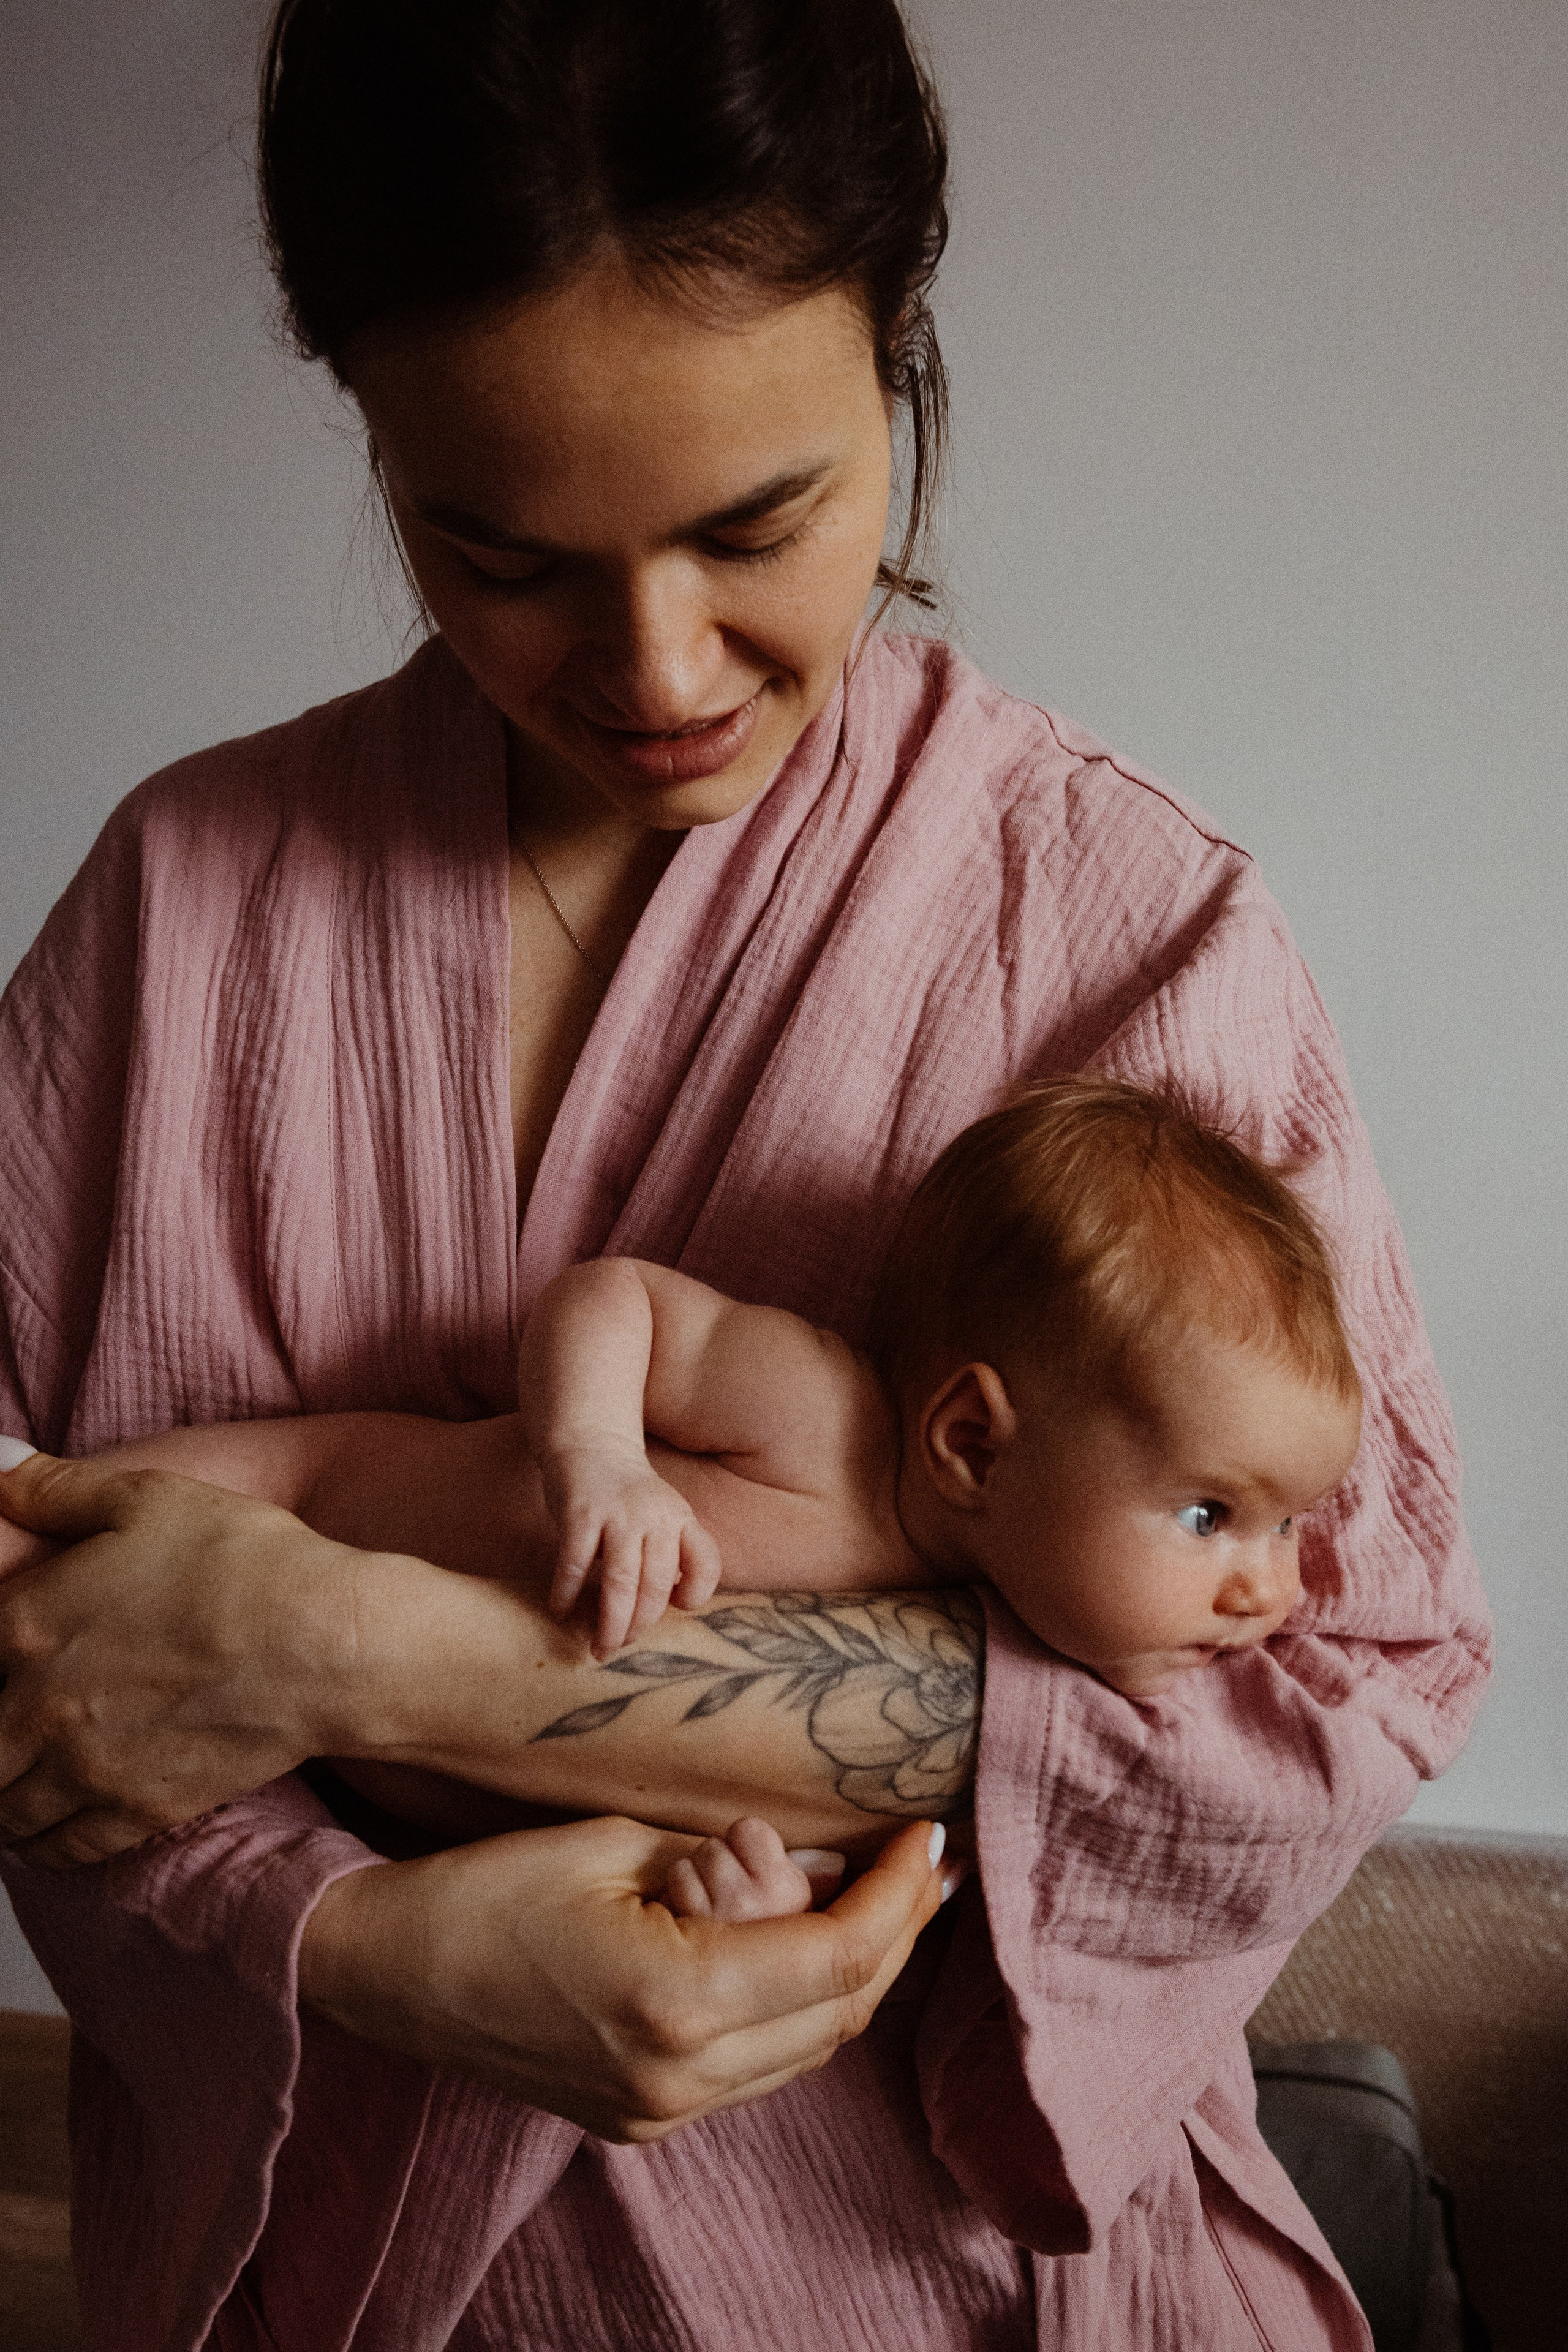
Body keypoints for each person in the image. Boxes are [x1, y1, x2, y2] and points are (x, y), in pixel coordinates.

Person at [0, 2, 1487, 2346]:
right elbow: (35, 1627)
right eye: (497, 552)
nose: (656, 665)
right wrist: (355, 1940)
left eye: (755, 526)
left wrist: (352, 1649)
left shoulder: (1132, 930)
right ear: (370, 430)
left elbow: (1326, 1697)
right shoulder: (182, 913)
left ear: (899, 358)